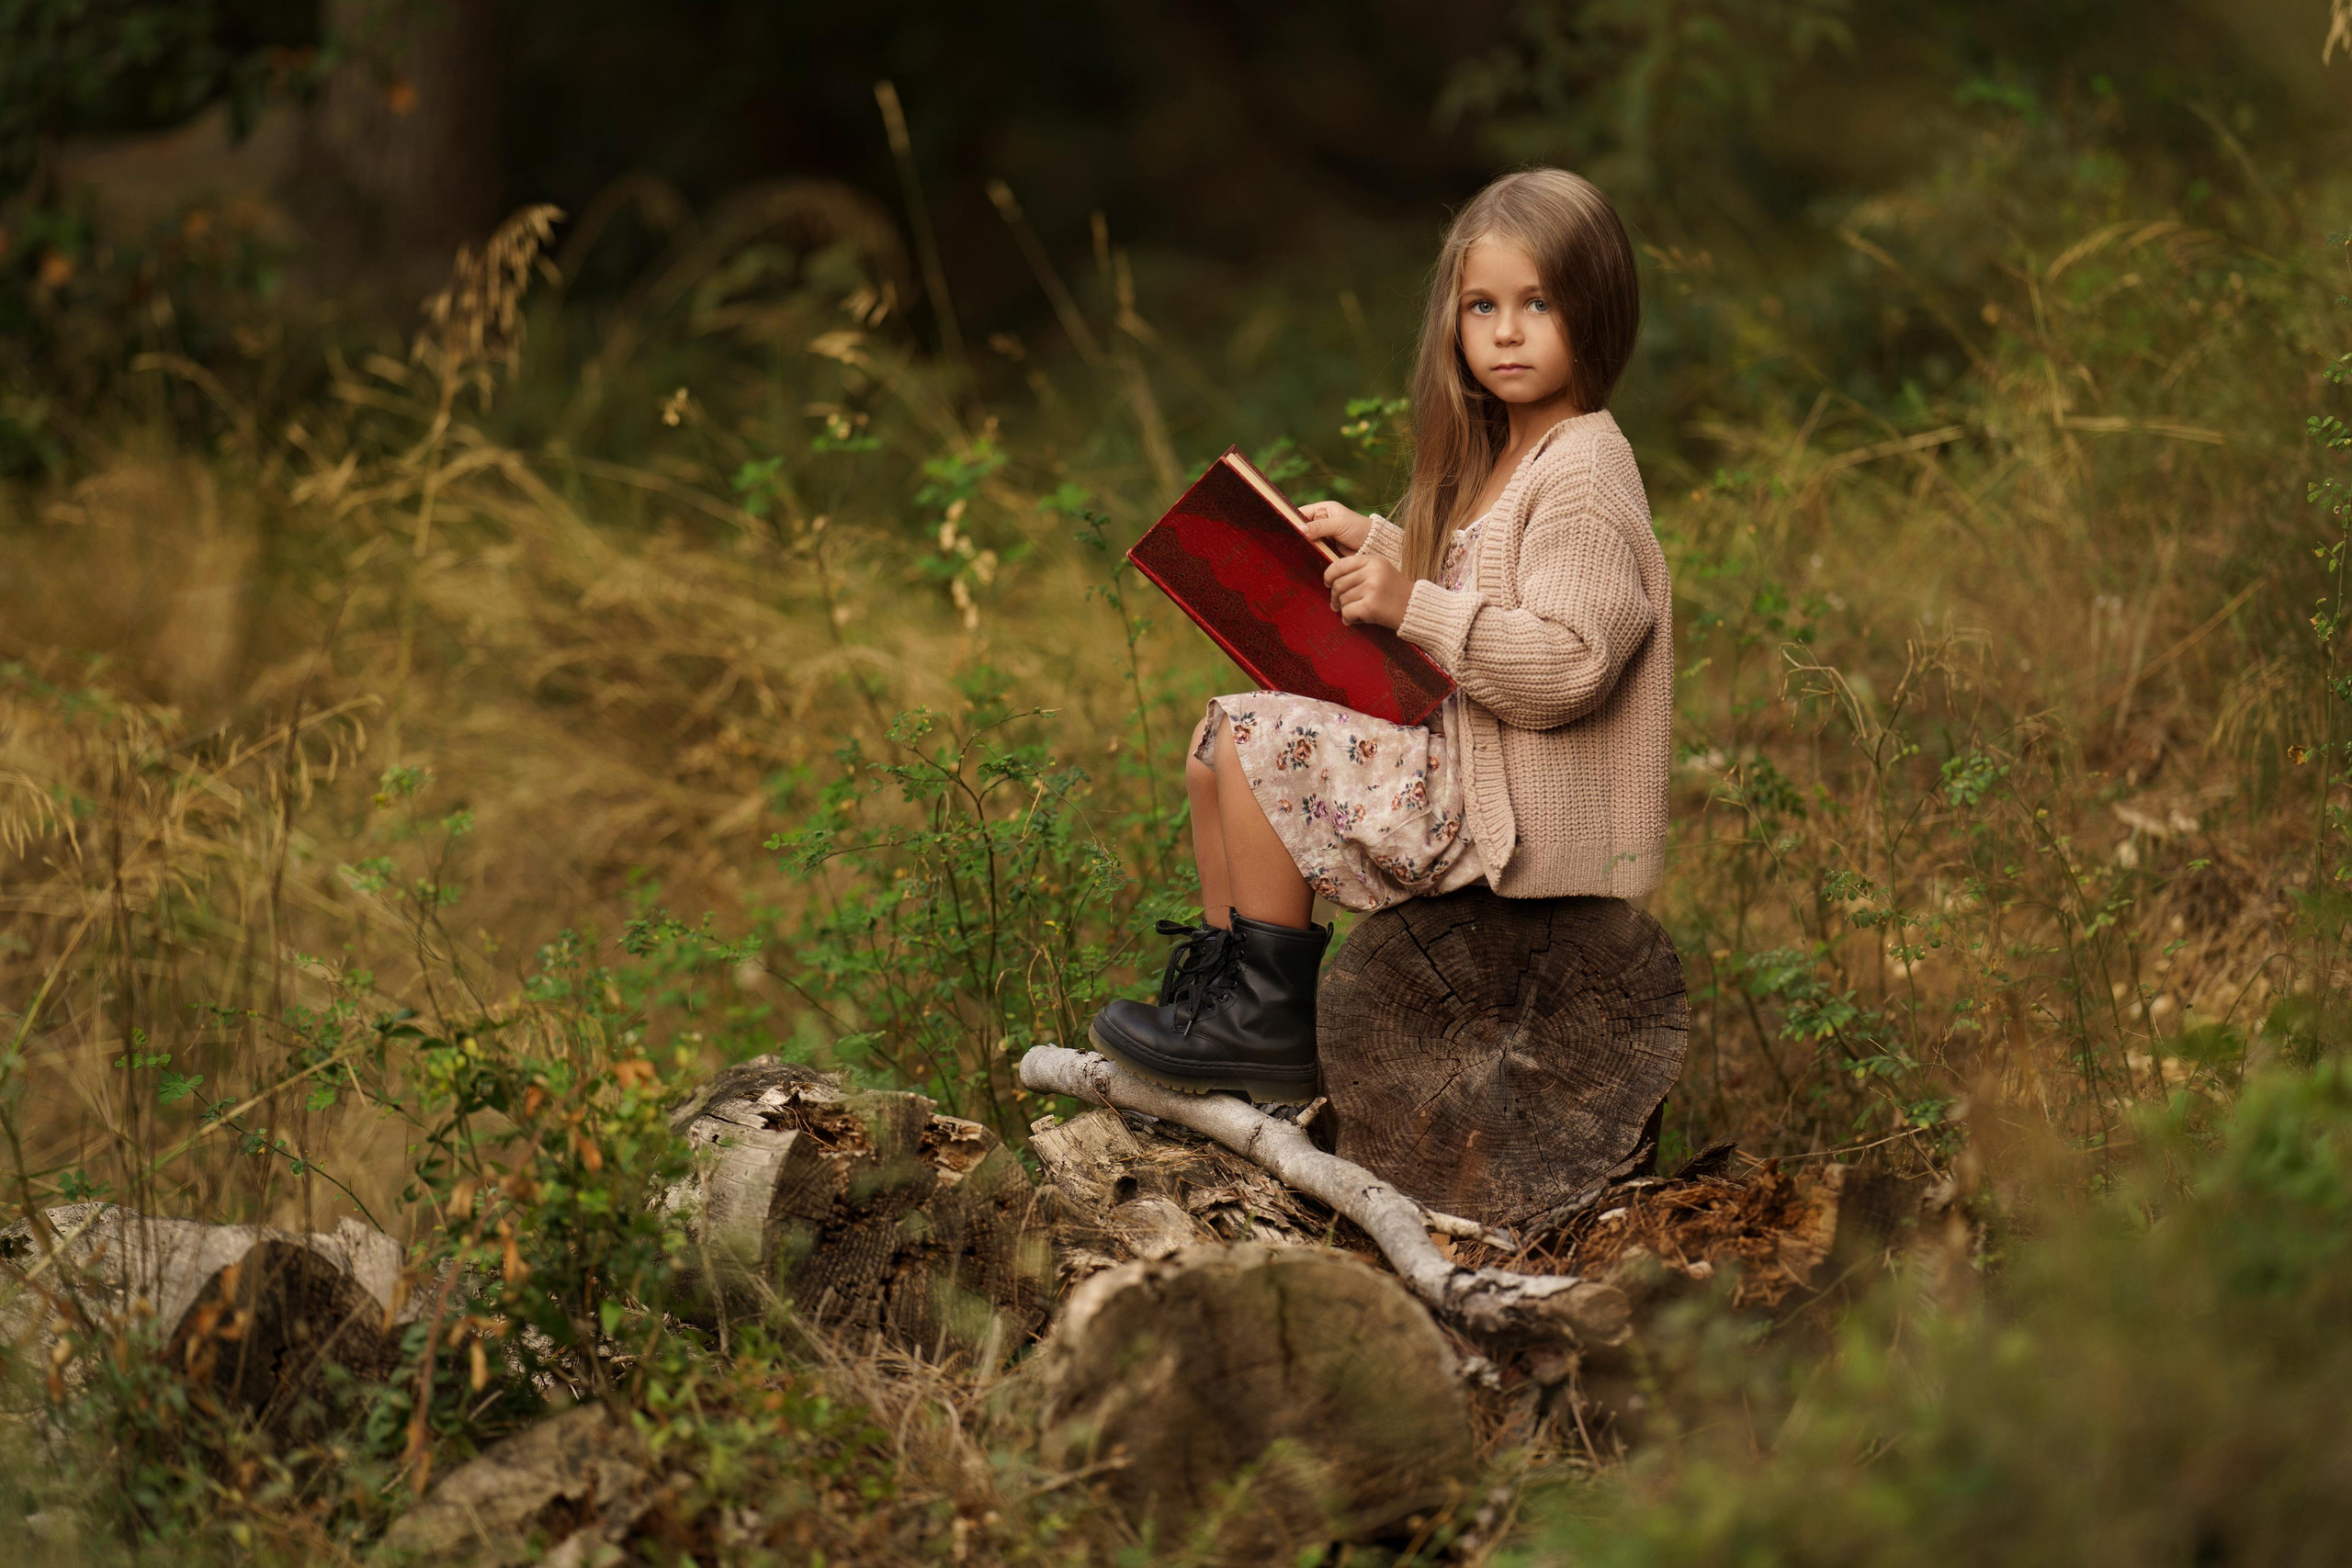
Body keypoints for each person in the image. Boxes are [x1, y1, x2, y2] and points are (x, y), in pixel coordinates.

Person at [1090, 167, 1674, 1101]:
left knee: (1253, 735)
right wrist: (1379, 544)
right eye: (1482, 306)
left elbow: (1569, 665)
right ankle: (1226, 998)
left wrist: (1408, 605)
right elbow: (1484, 584)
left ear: (1597, 311)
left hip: (1509, 817)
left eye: (1538, 304)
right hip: (1467, 772)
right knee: (1212, 745)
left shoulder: (1586, 470)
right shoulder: (1511, 451)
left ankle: (1266, 1023)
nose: (1507, 331)